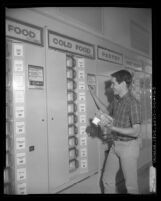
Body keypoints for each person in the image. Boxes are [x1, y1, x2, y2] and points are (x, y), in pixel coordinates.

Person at [89, 69, 141, 194]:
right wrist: (92, 93)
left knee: (131, 186)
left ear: (123, 84)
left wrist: (112, 127)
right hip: (115, 145)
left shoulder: (133, 103)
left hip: (129, 147)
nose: (111, 87)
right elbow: (106, 111)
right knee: (107, 180)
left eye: (113, 83)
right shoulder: (117, 100)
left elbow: (136, 132)